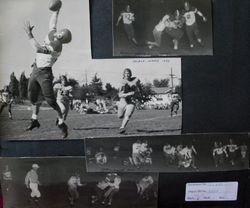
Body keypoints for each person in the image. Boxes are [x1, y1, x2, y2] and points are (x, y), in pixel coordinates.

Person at [24, 2, 72, 138]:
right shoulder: (54, 35)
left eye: (61, 35)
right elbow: (53, 24)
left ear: (63, 39)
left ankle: (62, 123)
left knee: (50, 101)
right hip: (36, 69)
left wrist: (29, 34)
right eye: (60, 32)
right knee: (32, 97)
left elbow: (38, 48)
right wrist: (56, 11)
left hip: (45, 73)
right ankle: (34, 120)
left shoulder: (57, 46)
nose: (59, 34)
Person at [117, 68, 141, 134]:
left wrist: (138, 91)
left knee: (128, 115)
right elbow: (120, 95)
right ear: (124, 74)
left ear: (130, 74)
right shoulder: (122, 82)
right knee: (120, 116)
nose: (127, 75)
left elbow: (138, 86)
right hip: (123, 101)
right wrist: (128, 94)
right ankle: (122, 113)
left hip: (131, 101)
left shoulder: (135, 80)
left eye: (128, 73)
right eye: (126, 73)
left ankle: (122, 128)